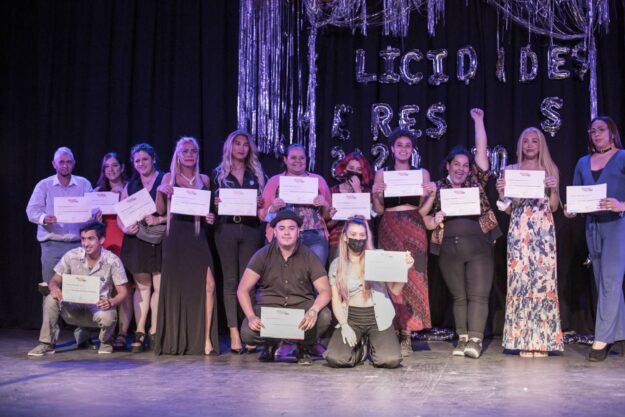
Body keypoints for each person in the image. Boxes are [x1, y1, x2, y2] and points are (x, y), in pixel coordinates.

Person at [421, 108, 501, 359]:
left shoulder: (475, 182)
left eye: (465, 165)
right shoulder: (437, 188)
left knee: (478, 294)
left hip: (479, 247)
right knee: (459, 297)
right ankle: (462, 338)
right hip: (448, 249)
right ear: (448, 165)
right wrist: (434, 218)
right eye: (456, 164)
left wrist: (479, 121)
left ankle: (475, 340)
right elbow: (423, 219)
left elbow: (482, 151)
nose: (461, 169)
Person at [495, 127, 564, 358]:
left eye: (535, 141)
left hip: (543, 231)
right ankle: (522, 340)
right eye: (526, 141)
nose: (530, 145)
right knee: (520, 283)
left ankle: (542, 342)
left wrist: (553, 189)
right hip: (519, 229)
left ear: (541, 144)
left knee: (544, 283)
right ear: (520, 145)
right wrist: (502, 194)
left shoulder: (550, 169)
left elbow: (554, 206)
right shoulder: (511, 170)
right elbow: (508, 209)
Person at [565, 116, 625, 362]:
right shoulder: (583, 162)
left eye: (601, 129)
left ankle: (602, 339)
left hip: (617, 225)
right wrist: (571, 209)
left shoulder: (622, 157)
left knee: (610, 280)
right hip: (592, 226)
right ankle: (621, 333)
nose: (596, 134)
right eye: (592, 131)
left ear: (612, 133)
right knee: (603, 282)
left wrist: (621, 205)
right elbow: (577, 195)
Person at [237, 209, 332, 365]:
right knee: (247, 332)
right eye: (281, 228)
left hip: (300, 311)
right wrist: (251, 316)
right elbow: (242, 289)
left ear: (298, 232)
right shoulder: (262, 255)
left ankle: (303, 346)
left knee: (324, 316)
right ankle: (270, 343)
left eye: (291, 228)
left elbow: (325, 290)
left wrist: (314, 310)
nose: (286, 233)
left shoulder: (308, 255)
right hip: (270, 310)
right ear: (274, 232)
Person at [154, 136, 219, 355]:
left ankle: (206, 339)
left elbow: (209, 211)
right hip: (176, 237)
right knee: (176, 288)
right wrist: (161, 190)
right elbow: (160, 210)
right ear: (178, 154)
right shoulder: (169, 177)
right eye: (185, 151)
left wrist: (211, 217)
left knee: (209, 284)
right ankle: (175, 338)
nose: (190, 154)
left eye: (194, 151)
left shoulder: (204, 179)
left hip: (198, 236)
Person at [371, 128, 432, 355]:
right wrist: (376, 194)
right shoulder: (382, 174)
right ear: (392, 149)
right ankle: (392, 331)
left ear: (412, 149)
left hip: (414, 226)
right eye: (399, 145)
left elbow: (423, 209)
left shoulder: (421, 174)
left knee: (414, 277)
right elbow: (378, 210)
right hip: (389, 226)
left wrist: (431, 194)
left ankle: (407, 334)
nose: (403, 149)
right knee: (391, 276)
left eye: (407, 145)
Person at [27, 221, 129, 356]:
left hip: (97, 310)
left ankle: (106, 342)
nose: (86, 244)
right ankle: (46, 344)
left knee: (109, 314)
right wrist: (54, 287)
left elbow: (123, 292)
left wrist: (111, 302)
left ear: (101, 240)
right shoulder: (72, 255)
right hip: (73, 309)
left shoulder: (112, 260)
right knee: (50, 298)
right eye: (83, 239)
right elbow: (54, 280)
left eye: (91, 239)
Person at [324, 217, 413, 368]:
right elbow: (336, 300)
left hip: (377, 317)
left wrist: (404, 270)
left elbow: (395, 289)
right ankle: (360, 350)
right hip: (351, 318)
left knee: (390, 360)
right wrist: (344, 325)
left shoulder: (378, 257)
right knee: (336, 358)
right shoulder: (337, 264)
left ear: (366, 237)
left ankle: (373, 346)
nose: (357, 238)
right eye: (353, 234)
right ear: (345, 236)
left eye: (361, 235)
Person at [212, 130, 266, 354]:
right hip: (226, 229)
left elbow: (264, 207)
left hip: (251, 230)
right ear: (229, 147)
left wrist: (261, 202)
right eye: (237, 143)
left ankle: (248, 332)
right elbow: (211, 208)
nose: (242, 148)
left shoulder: (257, 173)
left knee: (249, 282)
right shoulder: (218, 174)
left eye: (245, 144)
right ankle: (234, 333)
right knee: (230, 281)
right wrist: (215, 204)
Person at [118, 143, 165, 352]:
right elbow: (120, 216)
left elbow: (174, 210)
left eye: (145, 159)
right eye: (137, 160)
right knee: (143, 287)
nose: (141, 163)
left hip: (160, 239)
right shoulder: (130, 185)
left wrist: (159, 219)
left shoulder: (165, 179)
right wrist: (125, 228)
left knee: (159, 287)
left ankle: (154, 329)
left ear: (153, 159)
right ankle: (139, 330)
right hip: (137, 240)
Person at [26, 147, 94, 285]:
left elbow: (93, 208)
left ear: (73, 163)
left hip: (78, 245)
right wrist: (43, 218)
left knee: (80, 289)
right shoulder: (44, 185)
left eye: (69, 162)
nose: (65, 165)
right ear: (54, 164)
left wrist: (94, 215)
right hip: (52, 246)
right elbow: (31, 210)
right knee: (52, 288)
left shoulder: (84, 184)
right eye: (61, 162)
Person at [259, 144, 332, 265]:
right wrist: (273, 208)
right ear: (285, 159)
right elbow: (263, 216)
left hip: (314, 237)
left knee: (316, 274)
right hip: (282, 235)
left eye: (302, 158)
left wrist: (324, 203)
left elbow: (328, 216)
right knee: (281, 273)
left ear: (306, 159)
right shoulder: (274, 181)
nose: (298, 161)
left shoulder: (318, 181)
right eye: (293, 157)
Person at [94, 152, 132, 350]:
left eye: (115, 165)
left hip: (125, 240)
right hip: (106, 242)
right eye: (107, 166)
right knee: (107, 288)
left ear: (122, 167)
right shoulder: (97, 192)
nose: (111, 169)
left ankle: (123, 333)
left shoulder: (131, 188)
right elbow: (89, 225)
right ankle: (108, 332)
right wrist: (95, 220)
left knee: (125, 288)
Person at [326, 151, 374, 263]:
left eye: (359, 169)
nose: (354, 172)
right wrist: (335, 217)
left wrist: (358, 190)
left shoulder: (367, 192)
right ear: (344, 169)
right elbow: (328, 225)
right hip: (337, 240)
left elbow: (371, 217)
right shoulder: (333, 191)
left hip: (361, 241)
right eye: (351, 168)